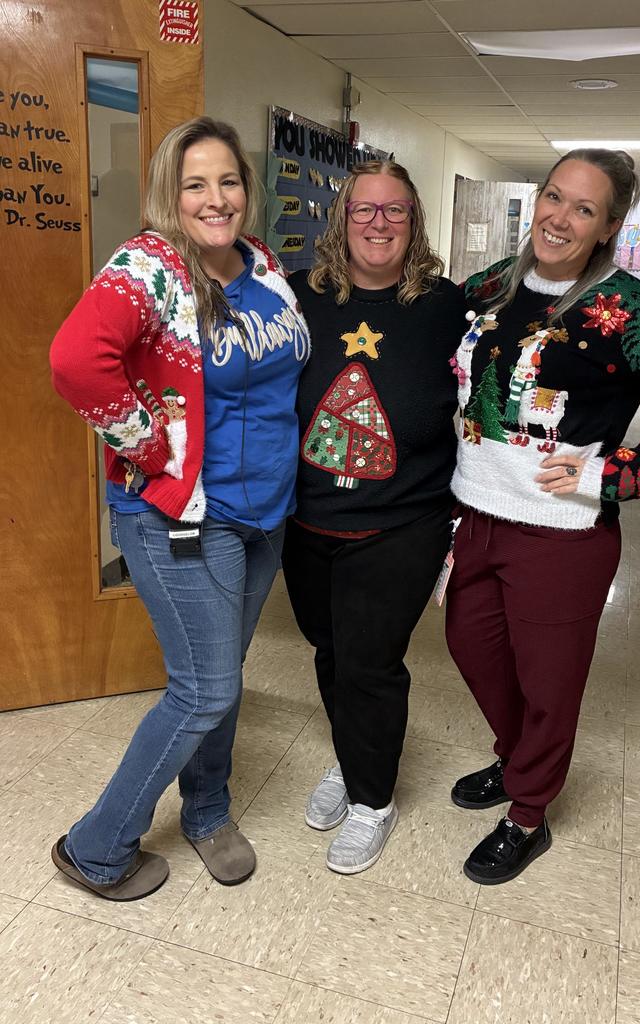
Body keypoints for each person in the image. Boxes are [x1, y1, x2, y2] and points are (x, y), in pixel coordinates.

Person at [446, 149, 640, 885]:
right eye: (554, 196)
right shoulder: (492, 285)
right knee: (471, 648)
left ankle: (527, 813)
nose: (560, 217)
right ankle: (515, 761)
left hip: (562, 532)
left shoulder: (631, 310)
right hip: (475, 514)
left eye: (584, 208)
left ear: (609, 225)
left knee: (548, 684)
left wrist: (616, 473)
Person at [48, 117, 310, 900]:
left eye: (228, 180)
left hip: (264, 514)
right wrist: (148, 446)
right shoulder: (151, 266)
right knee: (205, 688)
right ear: (171, 191)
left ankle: (207, 811)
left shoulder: (259, 261)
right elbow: (74, 362)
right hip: (182, 516)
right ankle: (95, 848)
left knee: (219, 672)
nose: (215, 197)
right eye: (196, 183)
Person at [281, 160, 469, 874]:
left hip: (403, 521)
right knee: (329, 649)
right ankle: (351, 756)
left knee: (370, 662)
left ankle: (373, 799)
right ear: (341, 218)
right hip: (308, 517)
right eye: (364, 210)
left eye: (395, 211)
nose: (378, 224)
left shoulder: (446, 306)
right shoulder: (300, 297)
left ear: (415, 222)